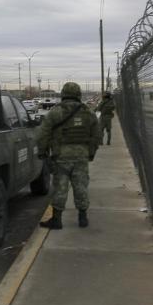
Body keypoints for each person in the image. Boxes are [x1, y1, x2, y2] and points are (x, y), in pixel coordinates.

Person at [37, 82, 100, 229]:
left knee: (60, 187)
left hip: (61, 156)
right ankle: (82, 218)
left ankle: (57, 219)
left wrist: (42, 151)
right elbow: (96, 135)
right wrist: (91, 152)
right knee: (81, 186)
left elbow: (43, 134)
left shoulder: (55, 112)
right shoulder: (87, 112)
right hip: (81, 155)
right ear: (78, 94)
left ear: (63, 94)